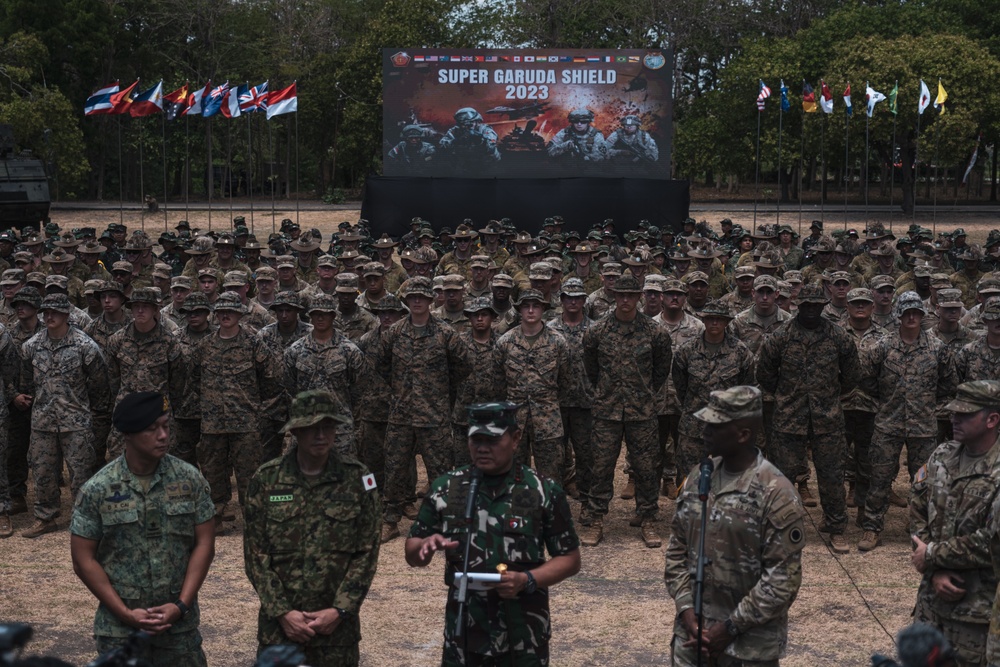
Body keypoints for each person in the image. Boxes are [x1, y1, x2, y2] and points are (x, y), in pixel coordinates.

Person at [405, 402, 581, 667]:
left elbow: (569, 559)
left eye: (493, 439)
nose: (483, 448)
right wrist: (424, 548)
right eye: (476, 439)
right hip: (464, 633)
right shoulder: (447, 488)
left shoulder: (543, 490)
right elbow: (413, 551)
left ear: (516, 438)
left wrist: (527, 579)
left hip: (524, 634)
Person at [70, 391, 215, 667]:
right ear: (128, 434)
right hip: (119, 631)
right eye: (152, 429)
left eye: (165, 426)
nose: (163, 435)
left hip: (179, 629)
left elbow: (205, 544)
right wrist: (125, 613)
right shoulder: (98, 488)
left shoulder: (189, 479)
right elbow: (83, 559)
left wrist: (181, 605)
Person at [664, 386, 805, 667]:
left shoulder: (776, 492)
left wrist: (728, 628)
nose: (705, 430)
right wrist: (686, 610)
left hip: (749, 647)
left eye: (716, 425)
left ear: (743, 435)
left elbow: (782, 581)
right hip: (692, 639)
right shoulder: (697, 478)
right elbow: (676, 551)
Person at [244, 390, 381, 667]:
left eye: (327, 426)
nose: (321, 435)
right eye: (311, 427)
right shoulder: (267, 479)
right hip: (280, 630)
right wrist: (283, 612)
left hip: (337, 630)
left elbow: (367, 552)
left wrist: (340, 609)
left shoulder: (359, 478)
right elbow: (256, 555)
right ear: (295, 431)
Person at [757, 282, 860, 554]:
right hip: (789, 417)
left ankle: (836, 528)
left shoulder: (838, 336)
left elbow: (851, 376)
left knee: (831, 475)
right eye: (806, 305)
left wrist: (830, 395)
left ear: (823, 306)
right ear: (797, 305)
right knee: (784, 477)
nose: (811, 310)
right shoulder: (780, 337)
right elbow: (765, 374)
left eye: (816, 305)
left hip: (827, 417)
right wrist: (786, 396)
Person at [373, 276, 471, 542]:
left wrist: (440, 392)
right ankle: (390, 520)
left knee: (440, 470)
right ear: (406, 301)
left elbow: (463, 366)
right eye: (412, 297)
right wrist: (400, 390)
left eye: (422, 297)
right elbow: (381, 364)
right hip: (401, 414)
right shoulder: (395, 332)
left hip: (434, 414)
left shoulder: (445, 333)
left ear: (430, 300)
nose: (417, 301)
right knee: (394, 469)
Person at [858, 291, 958, 551]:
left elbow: (948, 384)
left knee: (923, 482)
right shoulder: (883, 346)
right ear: (899, 315)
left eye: (916, 312)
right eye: (907, 312)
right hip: (888, 424)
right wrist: (885, 402)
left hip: (923, 427)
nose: (912, 316)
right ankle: (872, 528)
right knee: (879, 478)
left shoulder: (937, 348)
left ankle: (920, 531)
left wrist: (931, 408)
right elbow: (867, 379)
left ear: (922, 315)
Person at [910, 381, 1000, 667]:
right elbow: (918, 506)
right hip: (931, 601)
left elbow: (991, 541)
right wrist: (933, 568)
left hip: (976, 610)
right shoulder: (942, 455)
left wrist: (933, 554)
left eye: (965, 414)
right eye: (953, 412)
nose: (954, 419)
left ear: (992, 419)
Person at [581, 274, 672, 547]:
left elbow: (660, 370)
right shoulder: (596, 332)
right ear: (614, 296)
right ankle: (595, 519)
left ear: (639, 297)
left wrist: (643, 393)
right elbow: (591, 368)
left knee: (646, 467)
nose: (625, 300)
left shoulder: (655, 333)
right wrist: (606, 392)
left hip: (641, 411)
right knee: (601, 466)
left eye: (630, 295)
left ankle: (648, 519)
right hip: (606, 411)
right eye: (620, 295)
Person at [17, 293, 111, 538]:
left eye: (55, 312)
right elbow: (26, 379)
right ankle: (45, 517)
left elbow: (100, 382)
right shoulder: (32, 345)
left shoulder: (85, 346)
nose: (49, 316)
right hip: (43, 420)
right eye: (46, 312)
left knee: (81, 473)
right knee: (43, 471)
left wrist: (86, 409)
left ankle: (84, 519)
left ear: (66, 315)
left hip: (75, 420)